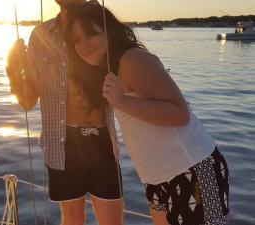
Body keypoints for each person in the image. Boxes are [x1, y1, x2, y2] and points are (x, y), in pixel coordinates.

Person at [65, 1, 230, 225]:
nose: (83, 45)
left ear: (109, 32)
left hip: (195, 171)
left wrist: (122, 102)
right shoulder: (108, 69)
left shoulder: (132, 60)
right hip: (157, 180)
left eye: (90, 34)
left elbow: (181, 114)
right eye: (76, 40)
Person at [5, 1, 124, 225]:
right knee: (72, 219)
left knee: (113, 221)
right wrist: (12, 68)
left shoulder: (102, 24)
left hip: (103, 141)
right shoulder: (41, 35)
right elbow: (28, 100)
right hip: (62, 144)